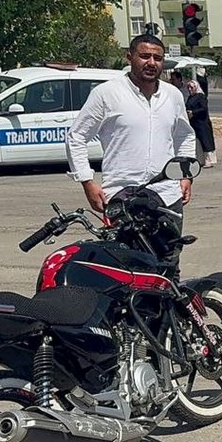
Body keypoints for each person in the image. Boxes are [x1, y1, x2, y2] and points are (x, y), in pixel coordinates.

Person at [66, 34, 196, 269]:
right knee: (128, 266)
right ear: (130, 58)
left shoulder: (173, 95)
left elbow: (185, 135)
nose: (151, 62)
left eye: (157, 57)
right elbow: (76, 136)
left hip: (166, 194)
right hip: (122, 195)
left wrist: (185, 175)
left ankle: (165, 307)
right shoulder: (107, 94)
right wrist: (87, 181)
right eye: (144, 56)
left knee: (168, 263)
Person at [185, 80, 216, 168]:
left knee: (205, 141)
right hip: (194, 123)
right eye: (189, 88)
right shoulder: (190, 97)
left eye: (192, 87)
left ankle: (208, 161)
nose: (190, 89)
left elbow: (203, 108)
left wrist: (193, 112)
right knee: (197, 142)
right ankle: (200, 160)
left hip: (202, 123)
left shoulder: (201, 96)